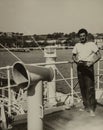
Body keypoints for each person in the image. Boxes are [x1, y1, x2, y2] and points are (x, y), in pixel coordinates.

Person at [72, 28, 101, 116]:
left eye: (84, 36)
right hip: (80, 66)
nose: (82, 38)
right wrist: (76, 61)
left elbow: (99, 55)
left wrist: (91, 62)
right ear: (79, 37)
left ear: (86, 36)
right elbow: (73, 56)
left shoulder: (91, 44)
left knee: (90, 88)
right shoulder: (77, 45)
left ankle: (91, 109)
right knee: (82, 87)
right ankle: (86, 106)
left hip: (88, 67)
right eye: (80, 36)